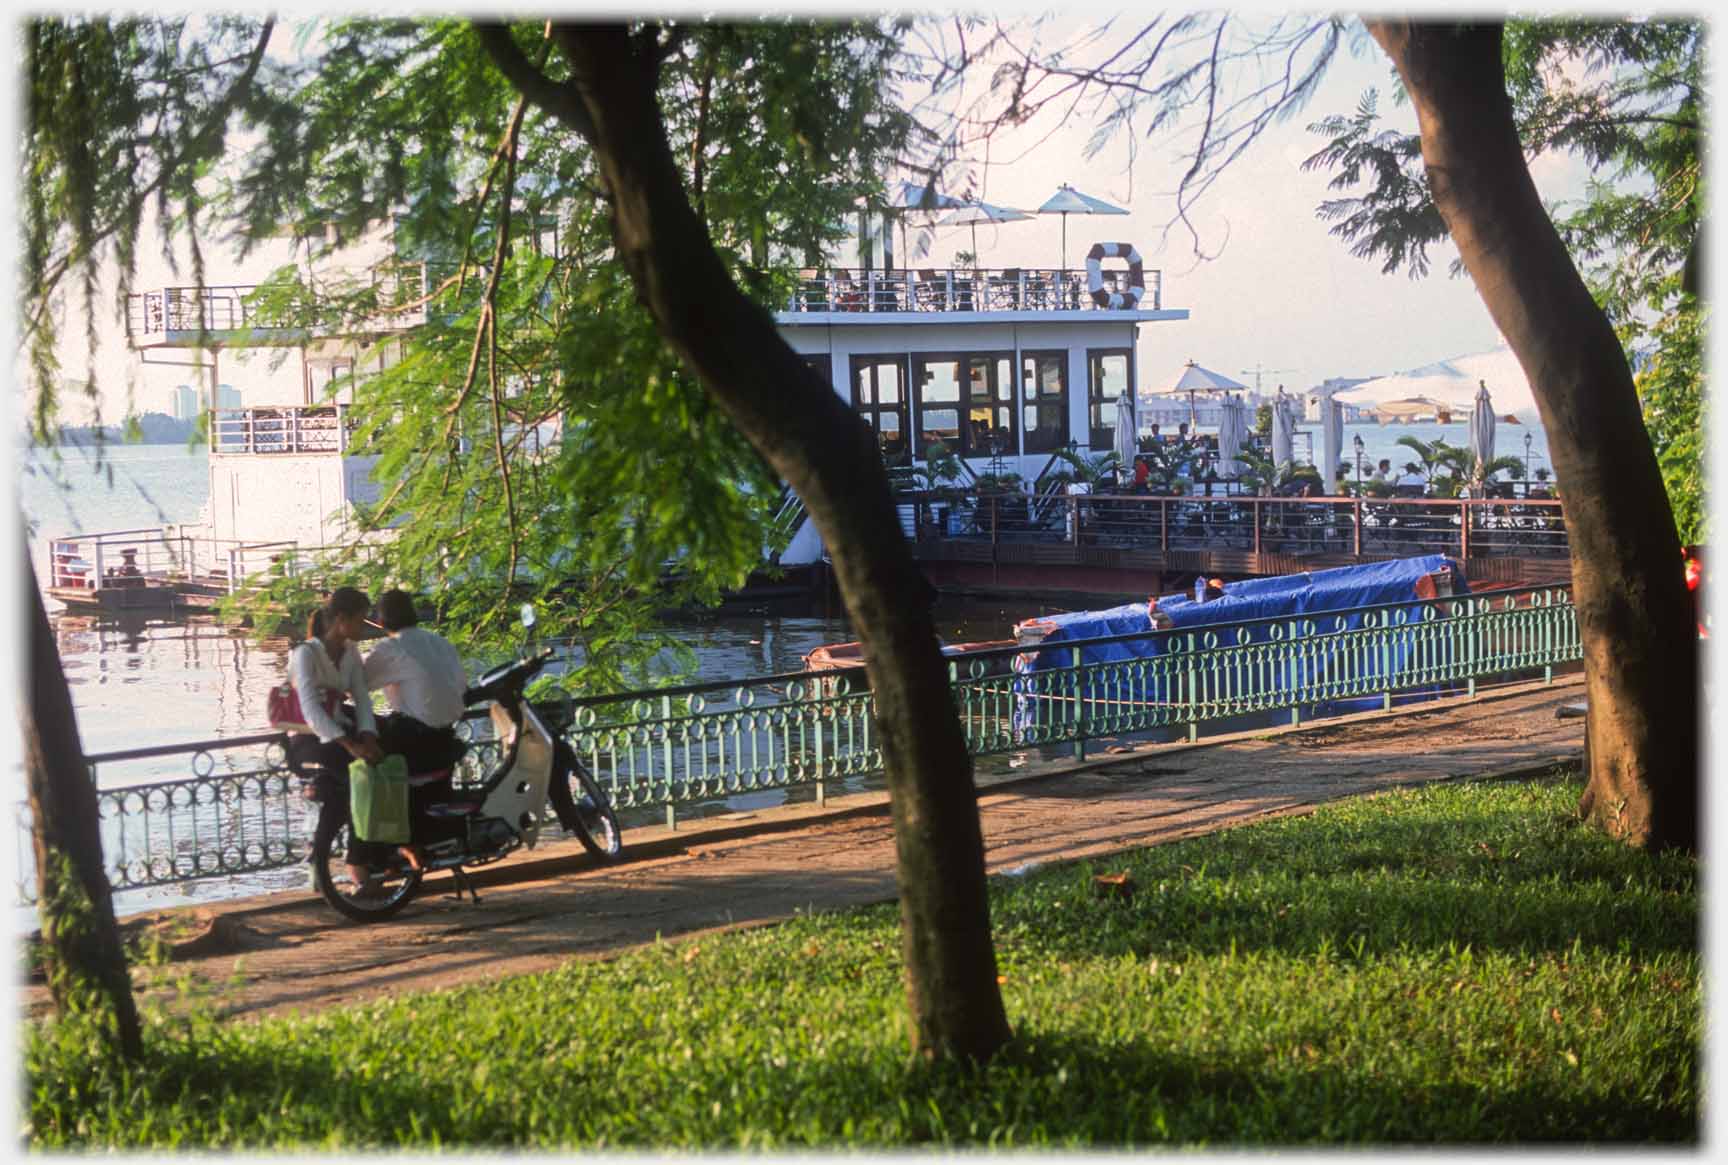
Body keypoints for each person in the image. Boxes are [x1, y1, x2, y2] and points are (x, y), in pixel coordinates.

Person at [284, 586, 392, 889]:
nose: (365, 626)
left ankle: (363, 858)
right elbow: (309, 709)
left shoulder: (351, 653)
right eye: (360, 620)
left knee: (380, 772)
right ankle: (329, 863)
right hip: (307, 740)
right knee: (345, 788)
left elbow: (362, 699)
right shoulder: (305, 653)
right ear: (341, 619)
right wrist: (350, 745)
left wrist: (368, 738)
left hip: (343, 733)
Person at [364, 589, 470, 864]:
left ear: (381, 620)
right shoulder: (440, 642)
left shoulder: (391, 648)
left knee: (364, 755)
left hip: (417, 740)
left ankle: (387, 846)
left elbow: (357, 686)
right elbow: (461, 687)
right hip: (448, 735)